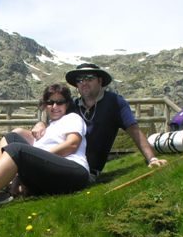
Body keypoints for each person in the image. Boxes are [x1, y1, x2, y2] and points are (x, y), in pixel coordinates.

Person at [0, 84, 90, 220]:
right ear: (45, 105)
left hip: (74, 172)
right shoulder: (49, 127)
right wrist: (40, 126)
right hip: (50, 175)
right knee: (10, 137)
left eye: (60, 102)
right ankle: (5, 189)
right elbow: (23, 137)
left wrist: (37, 159)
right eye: (50, 102)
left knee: (16, 149)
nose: (55, 106)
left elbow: (72, 144)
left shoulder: (72, 118)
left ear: (67, 104)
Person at [32, 63, 167, 179]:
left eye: (89, 78)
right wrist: (41, 123)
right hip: (61, 161)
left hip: (86, 169)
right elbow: (54, 122)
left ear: (100, 81)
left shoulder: (115, 102)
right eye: (79, 80)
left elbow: (135, 131)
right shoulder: (73, 105)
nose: (84, 82)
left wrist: (152, 159)